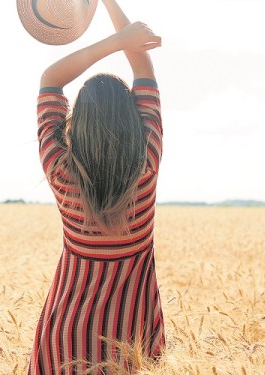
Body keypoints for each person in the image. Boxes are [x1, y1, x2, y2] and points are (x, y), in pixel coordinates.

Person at [28, 0, 165, 373]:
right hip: (132, 342)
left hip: (64, 339)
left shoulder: (60, 171)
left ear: (77, 121)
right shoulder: (146, 166)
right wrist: (112, 10)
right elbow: (142, 64)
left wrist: (114, 40)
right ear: (133, 121)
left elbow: (50, 79)